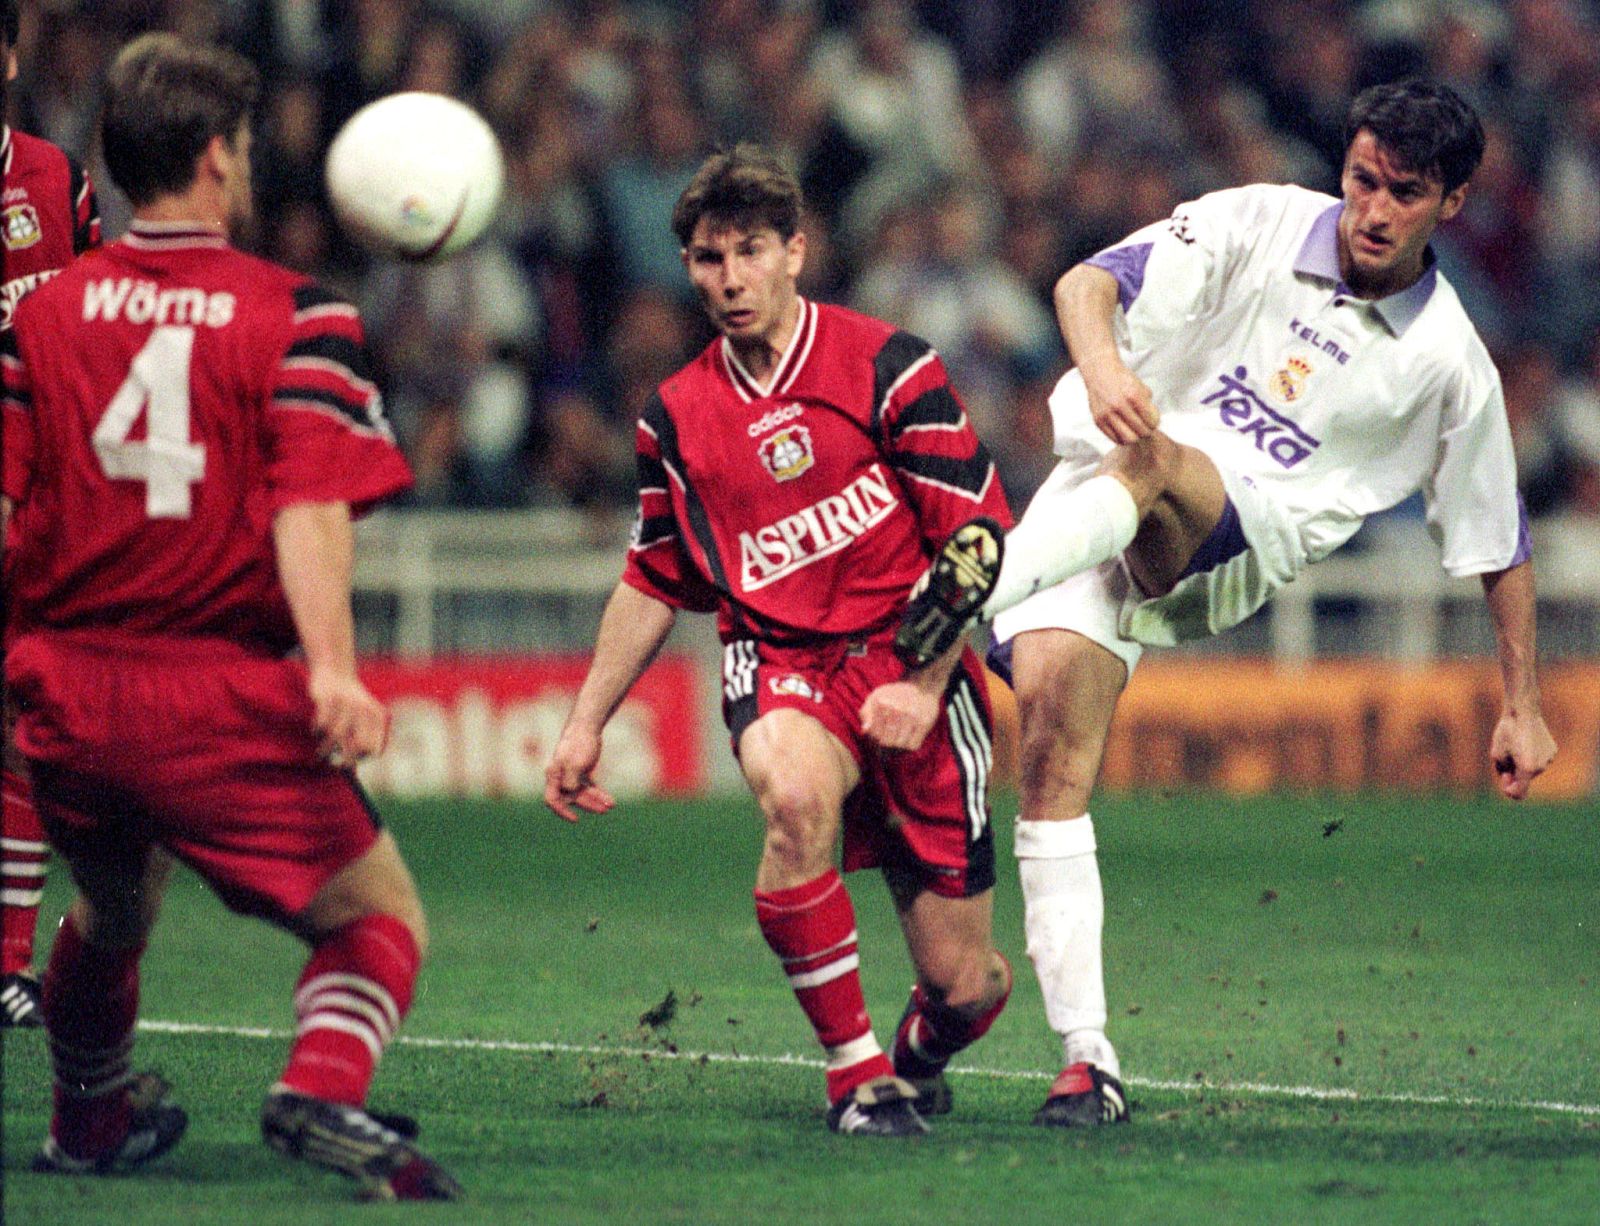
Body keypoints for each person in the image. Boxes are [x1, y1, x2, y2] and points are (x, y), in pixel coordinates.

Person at [898, 79, 1558, 1127]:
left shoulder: (1451, 364)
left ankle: (950, 602)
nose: (1373, 209)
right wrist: (1105, 366)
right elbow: (1083, 287)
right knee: (1054, 764)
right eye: (1361, 179)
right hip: (1101, 486)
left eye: (1404, 192)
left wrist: (1520, 700)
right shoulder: (1259, 218)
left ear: (1454, 203)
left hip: (1231, 534)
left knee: (1151, 459)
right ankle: (1085, 1059)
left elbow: (1497, 537)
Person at [0, 34, 459, 1198]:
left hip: (63, 692)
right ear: (216, 157)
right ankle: (320, 1082)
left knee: (108, 907)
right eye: (244, 147)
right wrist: (335, 666)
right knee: (375, 916)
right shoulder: (298, 315)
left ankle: (87, 1122)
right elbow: (309, 504)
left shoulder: (38, 315)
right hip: (209, 689)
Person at [544, 143, 1015, 1137]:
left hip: (912, 661)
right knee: (794, 803)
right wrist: (584, 721)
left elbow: (977, 538)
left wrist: (924, 683)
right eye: (708, 259)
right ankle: (857, 1074)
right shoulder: (673, 417)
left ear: (795, 250)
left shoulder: (890, 365)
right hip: (786, 664)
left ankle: (919, 1050)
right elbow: (651, 577)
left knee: (966, 984)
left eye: (749, 252)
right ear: (688, 269)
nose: (729, 279)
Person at [0, 0, 102, 1029]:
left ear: (11, 54)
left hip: (42, 501)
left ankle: (8, 960)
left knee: (23, 733)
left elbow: (87, 331)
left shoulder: (53, 178)